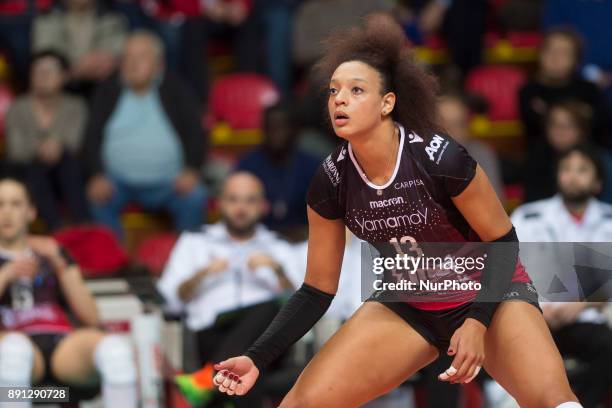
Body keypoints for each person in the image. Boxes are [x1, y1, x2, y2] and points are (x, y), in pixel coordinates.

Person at [181, 16, 582, 407]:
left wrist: (477, 322)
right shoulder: (330, 180)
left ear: (387, 102)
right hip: (409, 304)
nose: (339, 99)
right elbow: (316, 290)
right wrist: (257, 357)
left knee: (555, 402)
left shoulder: (439, 157)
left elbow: (503, 241)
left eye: (356, 90)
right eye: (333, 91)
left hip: (489, 295)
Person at [159, 172, 298, 406]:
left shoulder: (279, 247)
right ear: (220, 203)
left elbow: (302, 304)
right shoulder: (195, 242)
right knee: (250, 377)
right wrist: (202, 274)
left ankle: (208, 382)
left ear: (263, 206)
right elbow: (170, 301)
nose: (241, 208)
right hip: (211, 335)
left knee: (273, 308)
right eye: (233, 199)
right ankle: (218, 379)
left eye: (250, 200)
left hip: (269, 345)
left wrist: (277, 271)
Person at [0, 178, 138, 408]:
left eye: (16, 204)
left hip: (62, 351)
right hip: (11, 353)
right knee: (14, 353)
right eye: (0, 204)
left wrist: (62, 261)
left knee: (115, 353)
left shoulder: (51, 252)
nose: (7, 212)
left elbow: (91, 318)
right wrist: (7, 274)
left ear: (31, 212)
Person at [511, 144, 612, 407]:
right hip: (534, 316)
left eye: (582, 170)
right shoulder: (528, 216)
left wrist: (583, 303)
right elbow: (508, 267)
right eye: (566, 169)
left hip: (588, 318)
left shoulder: (609, 220)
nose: (573, 176)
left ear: (598, 182)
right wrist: (538, 306)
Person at [84, 31, 206, 239]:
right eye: (127, 58)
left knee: (196, 197)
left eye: (141, 58)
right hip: (119, 182)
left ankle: (186, 261)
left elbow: (197, 133)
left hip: (169, 181)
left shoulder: (175, 89)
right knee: (95, 197)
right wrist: (96, 174)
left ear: (159, 64)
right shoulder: (108, 91)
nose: (132, 64)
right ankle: (116, 264)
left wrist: (192, 170)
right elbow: (91, 136)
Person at [5, 50, 90, 231]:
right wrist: (41, 148)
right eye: (37, 71)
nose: (43, 76)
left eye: (49, 71)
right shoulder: (18, 108)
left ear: (64, 76)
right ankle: (57, 228)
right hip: (28, 172)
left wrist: (56, 146)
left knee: (70, 162)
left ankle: (82, 226)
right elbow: (16, 150)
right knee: (33, 167)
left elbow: (75, 142)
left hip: (66, 170)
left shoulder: (76, 106)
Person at [236, 103, 319, 239]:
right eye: (270, 128)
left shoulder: (312, 166)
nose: (276, 134)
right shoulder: (247, 166)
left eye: (281, 128)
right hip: (256, 241)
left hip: (304, 241)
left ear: (294, 130)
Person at [518, 28, 609, 147]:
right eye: (550, 50)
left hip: (587, 154)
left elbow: (601, 126)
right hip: (544, 157)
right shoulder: (528, 91)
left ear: (576, 61)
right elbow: (534, 127)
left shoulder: (589, 90)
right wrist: (580, 112)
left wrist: (548, 110)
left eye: (564, 53)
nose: (555, 58)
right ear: (540, 54)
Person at [523, 100, 612, 203]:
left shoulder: (603, 161)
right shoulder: (536, 158)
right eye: (553, 124)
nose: (559, 131)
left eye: (568, 125)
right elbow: (531, 202)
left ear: (582, 130)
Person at [32, 0, 127, 96]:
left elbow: (115, 55)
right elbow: (44, 58)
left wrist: (97, 63)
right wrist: (76, 70)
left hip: (103, 87)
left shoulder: (111, 17)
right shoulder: (47, 18)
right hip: (61, 92)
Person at [437, 92, 505, 205]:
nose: (452, 132)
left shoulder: (482, 153)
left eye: (459, 124)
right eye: (445, 125)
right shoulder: (417, 159)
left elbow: (496, 202)